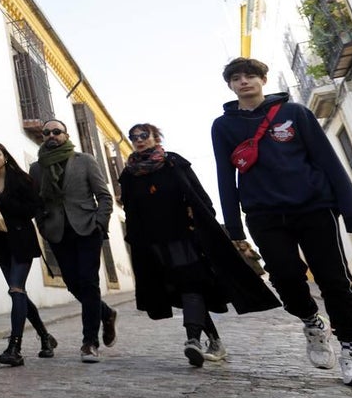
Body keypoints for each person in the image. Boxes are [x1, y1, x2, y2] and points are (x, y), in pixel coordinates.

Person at [212, 57, 352, 388]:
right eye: (236, 78)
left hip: (315, 208)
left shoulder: (295, 114)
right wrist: (233, 227)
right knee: (286, 276)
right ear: (230, 85)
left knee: (335, 280)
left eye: (250, 76)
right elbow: (224, 175)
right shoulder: (223, 126)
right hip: (264, 213)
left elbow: (327, 161)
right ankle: (311, 321)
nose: (243, 82)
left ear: (262, 79)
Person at [119, 123, 280, 367]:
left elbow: (200, 197)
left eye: (144, 135)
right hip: (154, 243)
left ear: (155, 137)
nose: (139, 140)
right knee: (181, 289)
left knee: (189, 284)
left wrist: (202, 224)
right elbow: (131, 210)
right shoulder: (129, 174)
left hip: (185, 237)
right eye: (134, 137)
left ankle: (192, 340)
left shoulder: (173, 163)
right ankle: (214, 341)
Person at [30, 119, 118, 363]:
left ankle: (89, 342)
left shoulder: (85, 160)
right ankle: (106, 313)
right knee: (72, 283)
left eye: (56, 132)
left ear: (66, 135)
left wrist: (100, 223)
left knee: (88, 282)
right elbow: (37, 202)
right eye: (46, 132)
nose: (51, 135)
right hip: (58, 232)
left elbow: (104, 195)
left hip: (87, 228)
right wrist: (43, 226)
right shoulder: (37, 168)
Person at [0, 142, 58, 366]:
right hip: (0, 242)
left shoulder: (22, 179)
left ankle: (15, 347)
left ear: (5, 156)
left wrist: (1, 200)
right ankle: (45, 337)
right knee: (19, 292)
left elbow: (32, 208)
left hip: (21, 240)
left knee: (15, 289)